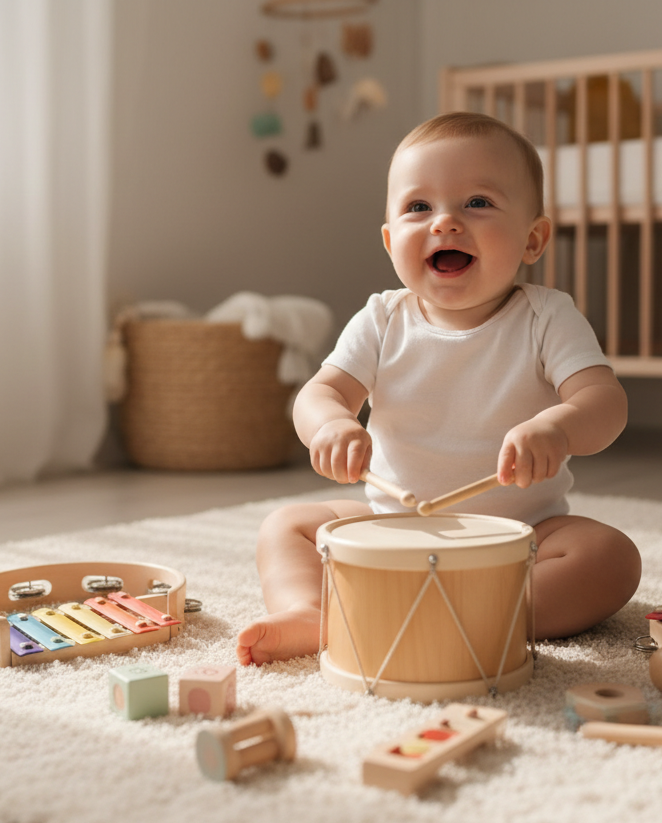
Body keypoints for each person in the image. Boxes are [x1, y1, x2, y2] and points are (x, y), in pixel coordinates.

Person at [236, 112, 641, 666]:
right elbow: (319, 392)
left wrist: (558, 427)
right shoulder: (382, 319)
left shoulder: (547, 317)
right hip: (389, 530)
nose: (445, 222)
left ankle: (484, 620)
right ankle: (312, 612)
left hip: (517, 540)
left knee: (609, 556)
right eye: (418, 207)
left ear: (533, 239)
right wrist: (330, 424)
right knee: (286, 527)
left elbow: (604, 401)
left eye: (477, 202)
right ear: (390, 241)